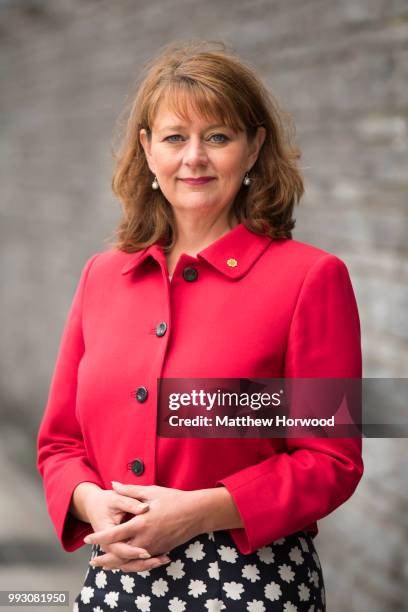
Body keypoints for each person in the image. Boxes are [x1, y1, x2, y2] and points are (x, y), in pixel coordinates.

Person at [37, 40, 364, 612]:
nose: (194, 158)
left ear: (254, 146)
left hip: (251, 583)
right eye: (173, 137)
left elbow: (332, 460)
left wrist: (200, 510)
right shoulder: (102, 277)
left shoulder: (312, 277)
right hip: (117, 579)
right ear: (147, 149)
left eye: (217, 136)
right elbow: (60, 444)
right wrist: (90, 501)